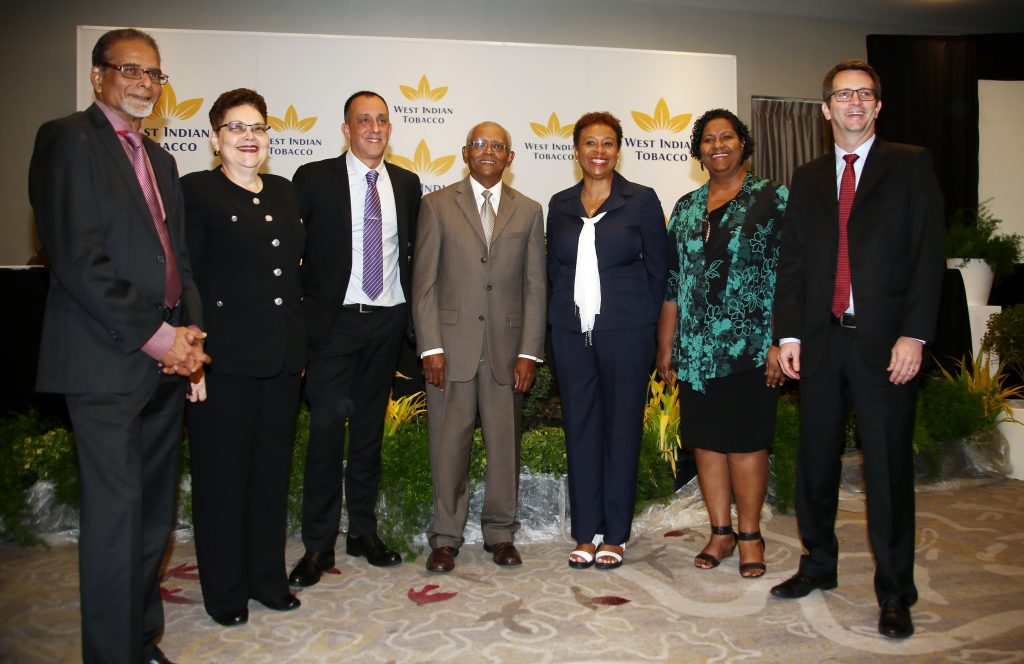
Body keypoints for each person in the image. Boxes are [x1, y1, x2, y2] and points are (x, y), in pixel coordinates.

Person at [28, 28, 210, 664]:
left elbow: (176, 256)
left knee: (153, 519)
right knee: (114, 520)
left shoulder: (159, 159)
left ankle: (139, 639)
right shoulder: (67, 139)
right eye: (128, 70)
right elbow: (79, 262)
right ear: (97, 76)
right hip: (105, 359)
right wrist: (161, 338)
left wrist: (189, 335)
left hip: (163, 361)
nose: (142, 82)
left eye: (153, 74)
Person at [770, 59, 944, 639]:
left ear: (877, 107)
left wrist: (914, 334)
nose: (854, 103)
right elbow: (792, 262)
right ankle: (818, 564)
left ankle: (896, 592)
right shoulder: (809, 175)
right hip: (820, 344)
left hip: (885, 346)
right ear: (826, 109)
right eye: (843, 95)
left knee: (888, 473)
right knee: (814, 464)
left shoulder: (911, 167)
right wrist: (788, 334)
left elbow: (927, 259)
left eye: (864, 95)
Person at [182, 89, 306, 626]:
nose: (249, 136)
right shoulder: (196, 191)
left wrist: (298, 346)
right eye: (235, 128)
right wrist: (193, 356)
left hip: (280, 361)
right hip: (223, 363)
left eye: (257, 127)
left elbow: (292, 277)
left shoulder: (282, 191)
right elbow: (185, 278)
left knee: (269, 477)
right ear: (214, 139)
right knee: (222, 481)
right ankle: (225, 591)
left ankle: (267, 578)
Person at [288, 91, 421, 586]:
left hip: (386, 323)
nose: (374, 127)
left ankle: (363, 532)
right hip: (334, 325)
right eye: (363, 119)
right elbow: (291, 256)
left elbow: (410, 256)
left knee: (368, 434)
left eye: (382, 120)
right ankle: (318, 547)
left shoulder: (407, 183)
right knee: (325, 434)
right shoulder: (313, 179)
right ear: (345, 129)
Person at [656, 109, 788, 578]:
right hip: (695, 349)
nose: (718, 145)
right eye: (708, 139)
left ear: (742, 143)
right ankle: (720, 532)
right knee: (708, 443)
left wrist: (779, 341)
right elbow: (674, 282)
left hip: (752, 346)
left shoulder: (772, 197)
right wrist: (666, 346)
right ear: (698, 151)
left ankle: (750, 535)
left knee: (748, 443)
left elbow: (788, 275)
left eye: (726, 137)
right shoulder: (687, 207)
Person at [412, 122, 546, 573]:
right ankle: (446, 537)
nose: (488, 151)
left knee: (504, 446)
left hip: (508, 353)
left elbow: (534, 287)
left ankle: (500, 534)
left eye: (498, 146)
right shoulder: (435, 206)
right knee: (447, 446)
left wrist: (529, 352)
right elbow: (424, 285)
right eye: (480, 144)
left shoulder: (528, 211)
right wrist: (430, 346)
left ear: (510, 157)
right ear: (465, 152)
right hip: (450, 351)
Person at [547, 112, 668, 570]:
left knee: (621, 428)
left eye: (608, 143)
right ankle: (586, 531)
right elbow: (553, 269)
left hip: (628, 331)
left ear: (618, 150)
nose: (599, 151)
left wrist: (654, 333)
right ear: (575, 151)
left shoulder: (641, 200)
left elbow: (659, 272)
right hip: (571, 331)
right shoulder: (559, 204)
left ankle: (615, 534)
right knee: (580, 428)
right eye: (589, 143)